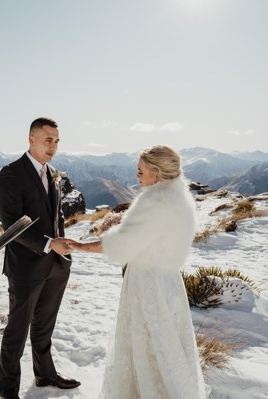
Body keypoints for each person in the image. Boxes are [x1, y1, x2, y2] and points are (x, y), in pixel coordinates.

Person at [68, 145, 206, 398]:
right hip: (169, 282)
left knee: (147, 345)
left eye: (141, 171)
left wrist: (79, 246)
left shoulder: (153, 202)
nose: (137, 176)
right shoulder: (179, 197)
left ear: (156, 172)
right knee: (168, 345)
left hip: (147, 283)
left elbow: (122, 245)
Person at [0, 117, 80, 398]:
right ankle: (8, 392)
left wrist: (63, 249)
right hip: (25, 267)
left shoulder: (53, 173)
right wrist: (49, 244)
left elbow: (57, 217)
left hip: (56, 265)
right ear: (31, 139)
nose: (53, 147)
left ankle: (45, 375)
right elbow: (12, 225)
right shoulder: (11, 174)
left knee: (44, 328)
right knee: (16, 334)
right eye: (47, 140)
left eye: (56, 141)